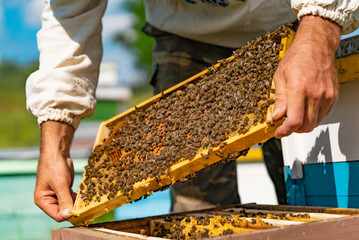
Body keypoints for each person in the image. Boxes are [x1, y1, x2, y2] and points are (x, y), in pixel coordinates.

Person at [26, 0, 359, 222]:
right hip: (186, 37)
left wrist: (320, 27)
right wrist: (55, 134)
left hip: (292, 24)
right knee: (197, 215)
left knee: (313, 199)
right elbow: (69, 14)